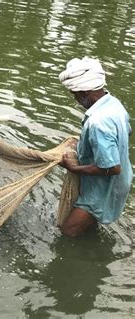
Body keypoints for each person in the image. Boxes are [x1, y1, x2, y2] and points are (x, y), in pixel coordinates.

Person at [59, 57, 132, 237]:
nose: (75, 99)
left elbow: (112, 167)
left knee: (68, 231)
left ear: (84, 93)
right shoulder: (113, 104)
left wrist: (74, 167)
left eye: (74, 94)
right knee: (88, 227)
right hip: (122, 181)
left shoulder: (98, 123)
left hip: (103, 190)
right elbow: (126, 132)